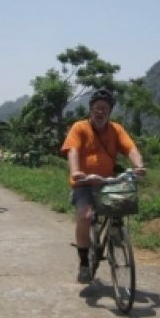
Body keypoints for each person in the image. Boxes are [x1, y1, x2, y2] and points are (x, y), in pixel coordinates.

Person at [60, 88, 146, 284]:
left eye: (105, 109)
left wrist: (139, 166)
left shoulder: (116, 129)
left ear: (110, 111)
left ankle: (114, 235)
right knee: (85, 216)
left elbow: (131, 148)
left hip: (108, 183)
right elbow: (72, 150)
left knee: (121, 207)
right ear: (91, 109)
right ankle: (83, 263)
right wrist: (76, 172)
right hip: (85, 183)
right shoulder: (79, 127)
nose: (101, 112)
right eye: (97, 108)